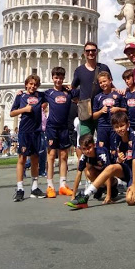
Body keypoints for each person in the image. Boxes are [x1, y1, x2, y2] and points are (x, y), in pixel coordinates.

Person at [66, 112, 135, 209]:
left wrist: (134, 184)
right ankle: (85, 196)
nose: (120, 129)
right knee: (110, 167)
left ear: (128, 124)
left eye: (122, 125)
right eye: (117, 127)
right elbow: (118, 161)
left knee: (130, 200)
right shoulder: (116, 138)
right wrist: (119, 159)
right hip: (127, 171)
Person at [43, 66, 78, 198]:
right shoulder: (48, 93)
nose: (58, 80)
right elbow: (34, 95)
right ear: (52, 78)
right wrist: (20, 94)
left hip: (64, 127)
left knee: (64, 156)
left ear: (64, 78)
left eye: (61, 77)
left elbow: (83, 93)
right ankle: (50, 186)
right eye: (56, 77)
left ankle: (63, 185)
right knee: (51, 156)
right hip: (52, 127)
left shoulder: (68, 93)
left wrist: (72, 88)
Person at [10, 74, 45, 201]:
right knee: (22, 159)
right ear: (26, 84)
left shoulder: (40, 96)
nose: (32, 86)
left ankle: (34, 188)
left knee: (35, 159)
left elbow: (51, 97)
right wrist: (24, 109)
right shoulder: (21, 96)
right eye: (30, 84)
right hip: (24, 131)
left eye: (35, 84)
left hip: (36, 132)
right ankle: (20, 188)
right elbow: (12, 112)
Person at [71, 41, 112, 137]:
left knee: (104, 140)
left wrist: (117, 90)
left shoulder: (103, 67)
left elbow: (110, 84)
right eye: (88, 51)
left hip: (102, 109)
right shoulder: (79, 70)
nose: (91, 53)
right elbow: (73, 88)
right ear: (84, 53)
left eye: (93, 50)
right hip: (85, 111)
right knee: (85, 141)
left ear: (96, 52)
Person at [67, 134, 113, 207]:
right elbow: (78, 175)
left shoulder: (101, 153)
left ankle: (110, 189)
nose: (87, 151)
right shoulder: (84, 156)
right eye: (84, 149)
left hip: (112, 176)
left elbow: (109, 173)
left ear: (94, 145)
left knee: (106, 175)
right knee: (89, 172)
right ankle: (100, 188)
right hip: (100, 175)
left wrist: (108, 196)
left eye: (89, 148)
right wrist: (73, 196)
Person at [92, 71, 126, 155]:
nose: (103, 84)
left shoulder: (118, 95)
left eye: (104, 81)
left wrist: (118, 109)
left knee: (115, 151)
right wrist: (100, 111)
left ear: (110, 80)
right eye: (100, 82)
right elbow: (93, 116)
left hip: (115, 127)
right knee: (102, 151)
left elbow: (126, 109)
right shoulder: (97, 97)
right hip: (102, 127)